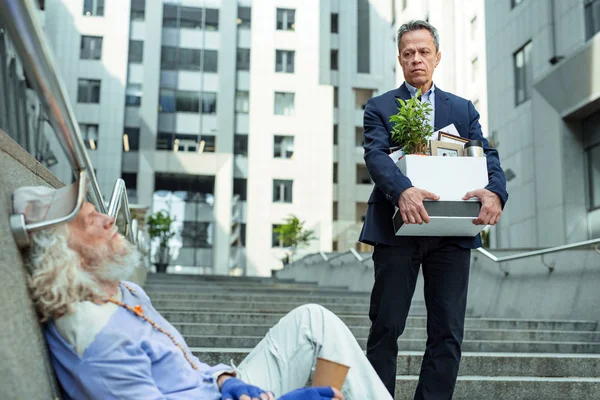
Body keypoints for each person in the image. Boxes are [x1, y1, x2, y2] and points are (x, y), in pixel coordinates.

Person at [13, 184, 392, 400]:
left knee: (313, 319)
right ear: (64, 251)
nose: (109, 218)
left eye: (99, 209)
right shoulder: (95, 338)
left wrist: (227, 381)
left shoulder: (123, 291)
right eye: (88, 220)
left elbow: (190, 368)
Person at [359, 20, 508, 399]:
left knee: (447, 332)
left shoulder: (461, 108)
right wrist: (403, 191)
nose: (416, 59)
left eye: (424, 51)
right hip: (396, 229)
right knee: (386, 325)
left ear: (437, 57)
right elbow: (375, 155)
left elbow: (486, 153)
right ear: (400, 59)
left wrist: (496, 193)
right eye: (408, 53)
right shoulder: (379, 107)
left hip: (452, 231)